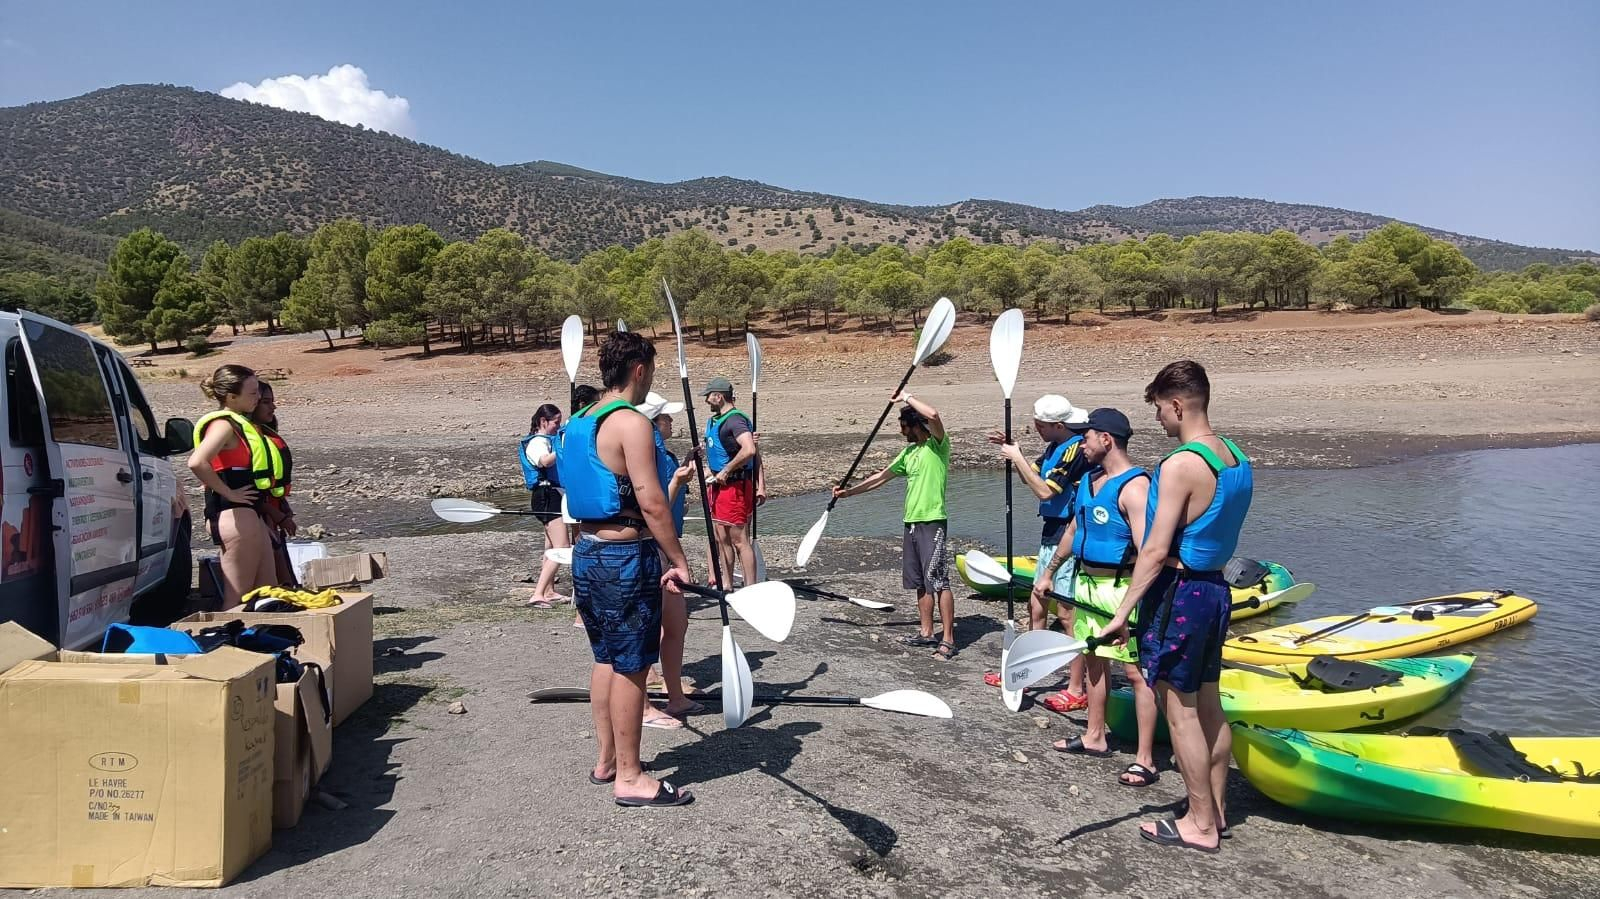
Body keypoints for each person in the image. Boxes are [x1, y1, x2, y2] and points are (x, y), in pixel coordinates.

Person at [1100, 361, 1253, 853]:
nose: (1160, 422)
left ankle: (1200, 824)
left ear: (1178, 404)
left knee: (1180, 710)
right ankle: (1217, 811)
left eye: (1160, 411)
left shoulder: (1181, 464)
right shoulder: (1236, 458)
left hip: (1181, 593)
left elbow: (1154, 549)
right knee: (1210, 703)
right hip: (1216, 590)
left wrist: (1122, 612)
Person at [555, 333, 695, 808]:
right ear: (640, 369)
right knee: (633, 665)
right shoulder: (630, 423)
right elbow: (652, 502)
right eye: (652, 370)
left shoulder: (576, 421)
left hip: (587, 552)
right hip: (623, 555)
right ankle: (631, 777)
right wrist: (677, 559)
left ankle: (608, 760)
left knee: (604, 659)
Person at [1035, 409, 1159, 787]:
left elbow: (1148, 550)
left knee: (1137, 674)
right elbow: (1074, 528)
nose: (1081, 444)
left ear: (1106, 439)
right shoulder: (1089, 480)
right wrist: (1050, 571)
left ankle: (1145, 759)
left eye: (1086, 437)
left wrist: (1128, 607)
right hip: (1087, 583)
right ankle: (1095, 736)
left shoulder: (1134, 487)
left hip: (1120, 588)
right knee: (1092, 662)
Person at [832, 392, 955, 660]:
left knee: (939, 581)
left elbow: (934, 415)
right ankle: (926, 633)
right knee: (920, 582)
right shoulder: (909, 453)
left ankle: (947, 639)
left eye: (903, 427)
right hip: (911, 522)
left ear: (915, 425)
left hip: (932, 520)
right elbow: (881, 477)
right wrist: (849, 493)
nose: (901, 433)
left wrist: (907, 397)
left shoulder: (938, 446)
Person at [989, 395, 1093, 712]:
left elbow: (1046, 491)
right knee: (1036, 605)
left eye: (1041, 425)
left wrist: (1017, 455)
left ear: (1058, 425)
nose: (1036, 428)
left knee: (1066, 614)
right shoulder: (1052, 447)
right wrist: (1015, 451)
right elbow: (1030, 478)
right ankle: (1031, 671)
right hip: (1050, 531)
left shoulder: (1074, 448)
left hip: (1068, 533)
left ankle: (1077, 687)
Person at [187, 364, 281, 607]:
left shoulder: (242, 424)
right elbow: (197, 462)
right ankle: (231, 641)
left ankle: (263, 641)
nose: (258, 398)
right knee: (237, 600)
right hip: (234, 517)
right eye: (252, 393)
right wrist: (228, 492)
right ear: (231, 397)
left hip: (251, 517)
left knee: (267, 596)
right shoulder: (224, 425)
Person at [636, 391, 704, 726]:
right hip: (651, 548)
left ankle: (674, 694)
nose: (671, 422)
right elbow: (655, 505)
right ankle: (645, 704)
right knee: (648, 626)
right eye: (666, 418)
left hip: (666, 545)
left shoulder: (662, 452)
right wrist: (678, 479)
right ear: (651, 423)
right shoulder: (643, 452)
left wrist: (681, 467)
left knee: (676, 623)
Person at [700, 376, 763, 589]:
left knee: (739, 540)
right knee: (721, 537)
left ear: (718, 396)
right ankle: (726, 585)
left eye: (708, 396)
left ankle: (751, 587)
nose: (706, 401)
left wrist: (727, 470)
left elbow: (750, 450)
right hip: (717, 487)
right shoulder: (715, 420)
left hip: (734, 488)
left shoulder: (735, 420)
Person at [251, 381, 299, 588]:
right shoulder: (246, 438)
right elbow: (246, 488)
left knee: (280, 559)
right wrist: (276, 514)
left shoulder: (266, 433)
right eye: (266, 402)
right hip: (256, 513)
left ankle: (288, 591)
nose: (273, 407)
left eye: (273, 401)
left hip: (272, 510)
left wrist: (283, 510)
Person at [521, 403, 569, 608]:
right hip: (545, 497)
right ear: (543, 422)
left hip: (551, 495)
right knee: (562, 547)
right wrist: (562, 445)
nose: (557, 427)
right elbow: (545, 462)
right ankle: (538, 594)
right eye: (555, 423)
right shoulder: (537, 443)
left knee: (550, 546)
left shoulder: (547, 440)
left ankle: (548, 590)